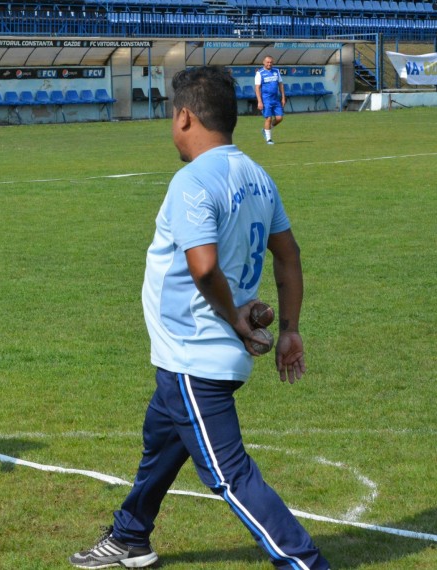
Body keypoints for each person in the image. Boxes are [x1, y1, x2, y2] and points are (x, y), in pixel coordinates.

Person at [69, 67, 330, 569]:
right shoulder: (256, 174)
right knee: (161, 443)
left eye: (172, 115)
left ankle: (303, 562)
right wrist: (290, 328)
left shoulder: (192, 181)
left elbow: (204, 265)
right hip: (197, 352)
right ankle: (130, 536)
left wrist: (234, 315)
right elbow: (289, 254)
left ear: (184, 116)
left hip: (197, 355)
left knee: (229, 473)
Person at [255, 56, 286, 145]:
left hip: (275, 99)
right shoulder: (260, 73)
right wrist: (259, 101)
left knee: (279, 118)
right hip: (266, 100)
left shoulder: (276, 71)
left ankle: (266, 130)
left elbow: (281, 84)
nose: (269, 64)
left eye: (271, 62)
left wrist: (283, 97)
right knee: (268, 118)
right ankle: (269, 139)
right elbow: (257, 88)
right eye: (267, 62)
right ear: (264, 62)